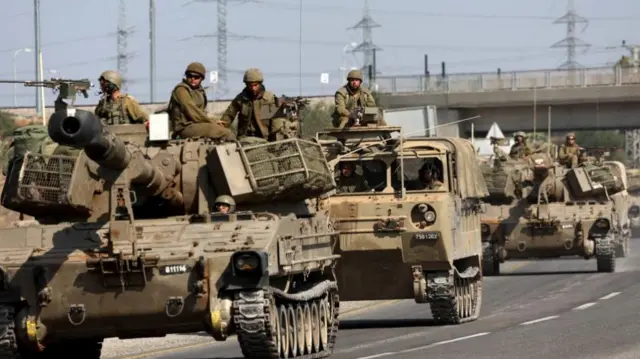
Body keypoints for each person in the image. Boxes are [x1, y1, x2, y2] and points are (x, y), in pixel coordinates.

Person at [167, 62, 235, 141]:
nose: (193, 79)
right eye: (190, 76)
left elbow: (201, 112)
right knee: (224, 132)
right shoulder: (181, 90)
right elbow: (192, 110)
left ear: (201, 78)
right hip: (185, 128)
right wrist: (212, 122)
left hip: (196, 125)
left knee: (223, 129)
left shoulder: (200, 91)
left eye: (196, 77)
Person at [219, 68, 280, 140]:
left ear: (260, 84)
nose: (253, 88)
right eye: (250, 86)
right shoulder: (240, 99)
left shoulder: (269, 99)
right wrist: (220, 127)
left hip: (264, 138)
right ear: (246, 85)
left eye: (255, 85)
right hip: (244, 138)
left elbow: (276, 122)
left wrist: (273, 141)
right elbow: (229, 114)